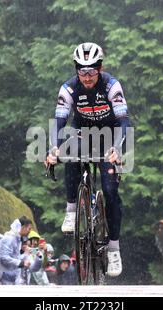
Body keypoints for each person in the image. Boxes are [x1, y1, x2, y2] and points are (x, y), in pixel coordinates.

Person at [45, 42, 130, 277]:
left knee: (111, 192)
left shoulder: (112, 86)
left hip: (110, 137)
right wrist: (53, 148)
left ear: (100, 68)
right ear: (76, 70)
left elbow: (124, 122)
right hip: (83, 134)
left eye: (92, 71)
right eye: (82, 71)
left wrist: (117, 148)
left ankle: (113, 248)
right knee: (69, 152)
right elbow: (59, 122)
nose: (87, 76)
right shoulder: (69, 89)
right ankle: (72, 209)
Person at [0, 216, 37, 285]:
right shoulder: (9, 238)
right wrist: (21, 263)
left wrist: (27, 255)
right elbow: (4, 258)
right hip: (2, 279)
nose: (29, 231)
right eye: (29, 229)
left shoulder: (17, 240)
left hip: (12, 279)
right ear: (23, 227)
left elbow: (16, 257)